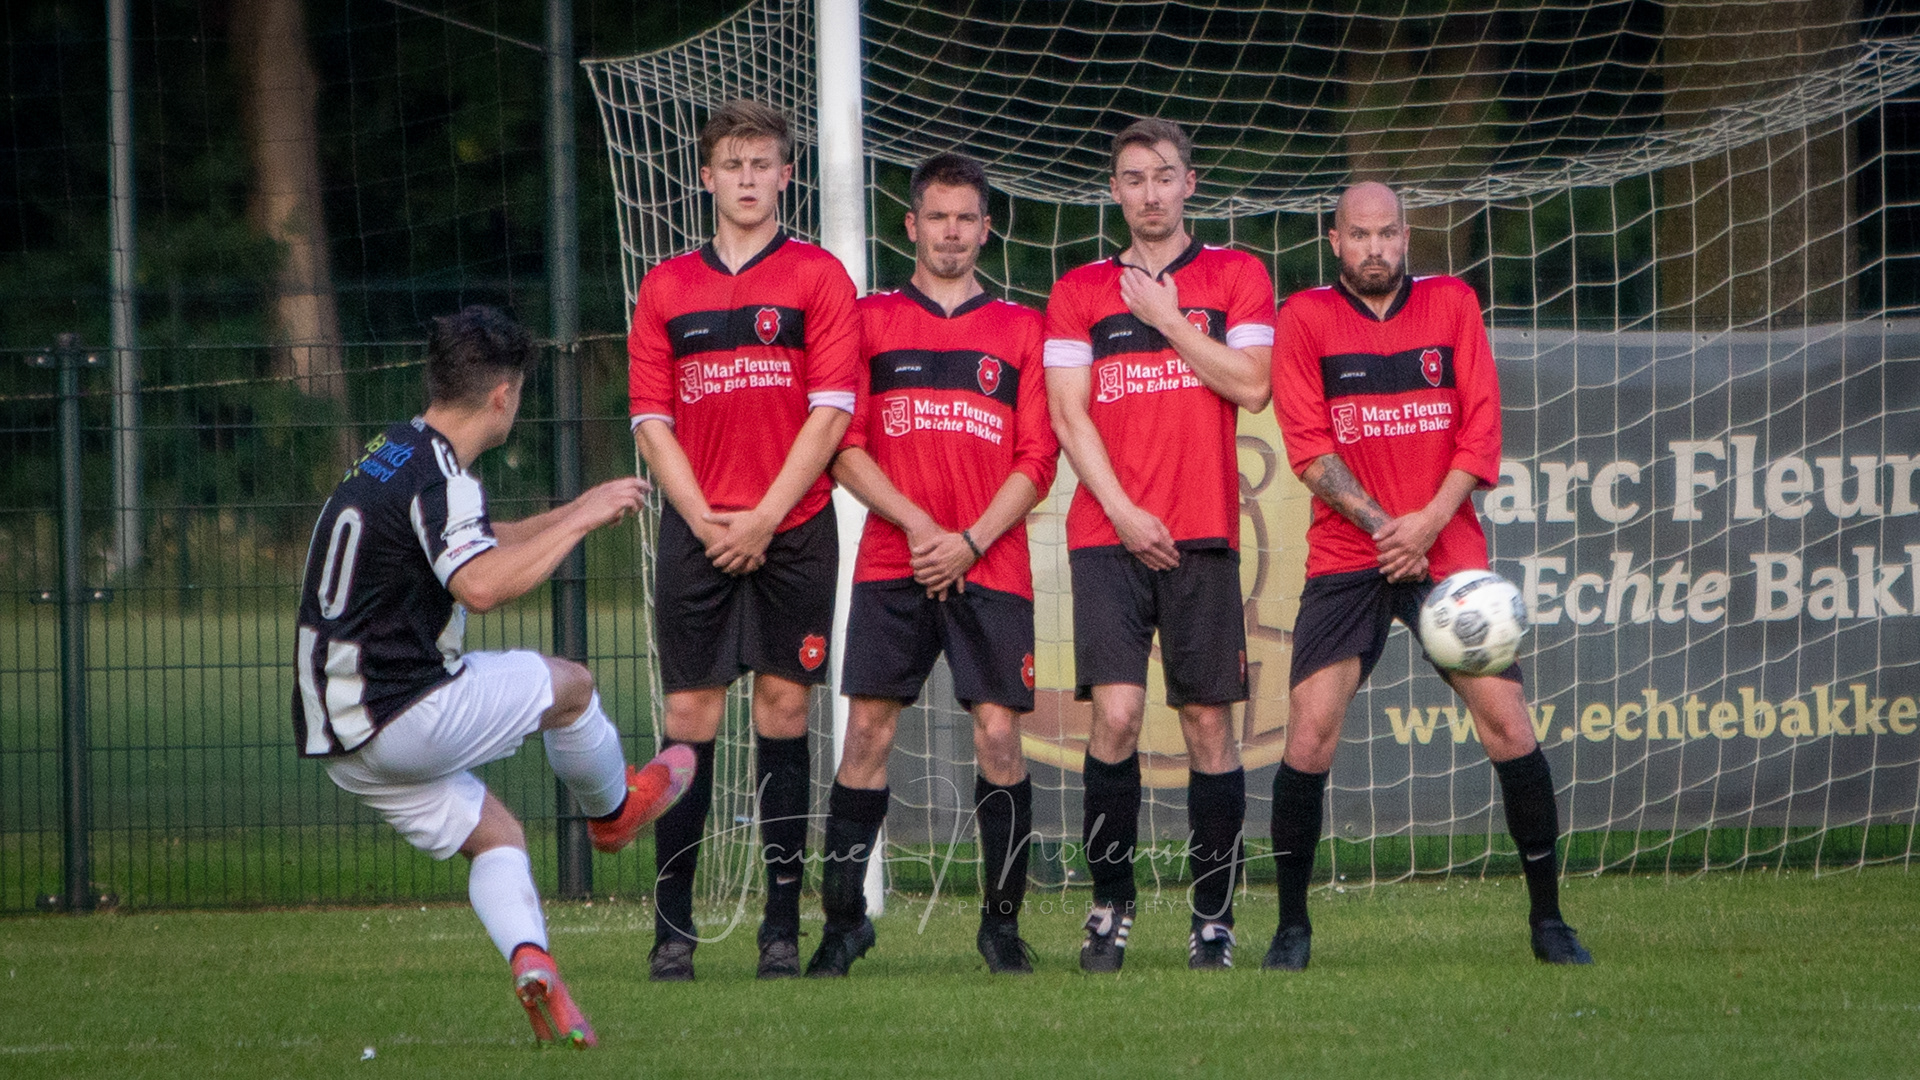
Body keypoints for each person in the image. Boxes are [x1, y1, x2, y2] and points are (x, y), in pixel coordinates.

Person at [294, 305, 695, 1047]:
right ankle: (614, 813)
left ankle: (533, 963)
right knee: (572, 687)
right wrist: (580, 524)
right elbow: (479, 584)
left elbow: (473, 542)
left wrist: (576, 508)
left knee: (496, 835)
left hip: (339, 735)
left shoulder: (393, 450)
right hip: (404, 709)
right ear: (503, 395)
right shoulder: (445, 479)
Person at [1265, 181, 1593, 970]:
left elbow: (1480, 430)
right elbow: (1309, 449)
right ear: (1334, 241)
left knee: (1509, 724)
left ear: (1406, 237)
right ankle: (1291, 928)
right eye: (1359, 235)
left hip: (1444, 548)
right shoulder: (1304, 318)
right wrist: (1390, 530)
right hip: (1351, 551)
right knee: (1309, 732)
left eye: (1388, 234)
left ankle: (1549, 921)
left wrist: (1426, 525)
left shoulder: (1452, 305)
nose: (1375, 248)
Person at [806, 153, 1059, 978]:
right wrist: (920, 526)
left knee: (1000, 737)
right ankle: (843, 926)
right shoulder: (870, 321)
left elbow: (1038, 459)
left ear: (986, 229)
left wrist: (970, 540)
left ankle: (1001, 929)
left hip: (991, 562)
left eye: (966, 219)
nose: (951, 232)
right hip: (895, 559)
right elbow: (842, 445)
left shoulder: (1020, 330)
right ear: (912, 225)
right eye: (938, 217)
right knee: (866, 734)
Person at [627, 99, 860, 981]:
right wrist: (704, 520)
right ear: (707, 176)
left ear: (786, 175)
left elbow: (830, 413)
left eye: (763, 163)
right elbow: (651, 421)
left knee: (785, 710)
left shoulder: (818, 278)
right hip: (699, 531)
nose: (749, 178)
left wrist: (764, 517)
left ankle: (779, 929)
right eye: (733, 164)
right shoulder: (666, 287)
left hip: (792, 529)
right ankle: (673, 930)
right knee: (689, 716)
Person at [1043, 118, 1275, 972]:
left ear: (1189, 184)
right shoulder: (1078, 290)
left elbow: (1252, 386)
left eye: (1164, 176)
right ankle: (1110, 908)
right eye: (1134, 178)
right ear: (1115, 190)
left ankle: (1212, 919)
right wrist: (1123, 512)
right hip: (1108, 534)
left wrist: (1169, 320)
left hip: (1204, 532)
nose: (1150, 192)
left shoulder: (1236, 276)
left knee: (1210, 725)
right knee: (1114, 716)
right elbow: (1068, 414)